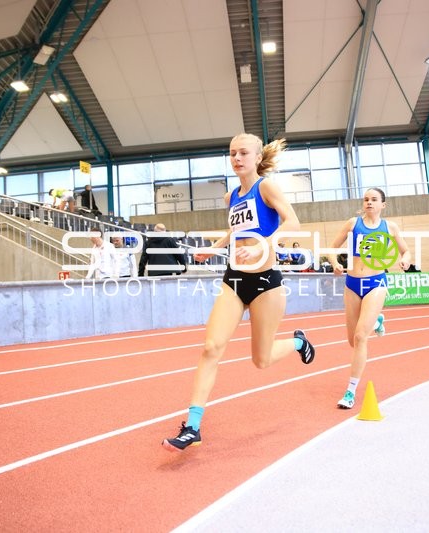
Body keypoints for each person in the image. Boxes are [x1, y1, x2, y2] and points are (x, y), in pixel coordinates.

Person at [162, 133, 316, 452]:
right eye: (232, 153)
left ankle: (298, 341)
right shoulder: (231, 196)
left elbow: (293, 223)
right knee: (211, 347)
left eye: (243, 153)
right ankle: (192, 426)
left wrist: (263, 245)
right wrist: (213, 247)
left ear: (257, 157)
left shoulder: (266, 186)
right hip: (233, 279)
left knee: (261, 360)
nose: (236, 158)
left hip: (265, 283)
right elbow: (237, 230)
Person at [327, 187, 411, 409]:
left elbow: (406, 251)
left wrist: (406, 261)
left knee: (360, 337)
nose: (369, 203)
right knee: (351, 340)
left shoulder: (390, 227)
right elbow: (332, 248)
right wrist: (335, 263)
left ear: (383, 205)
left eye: (374, 200)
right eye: (366, 199)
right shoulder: (353, 224)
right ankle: (377, 321)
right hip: (352, 284)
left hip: (376, 283)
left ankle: (350, 392)